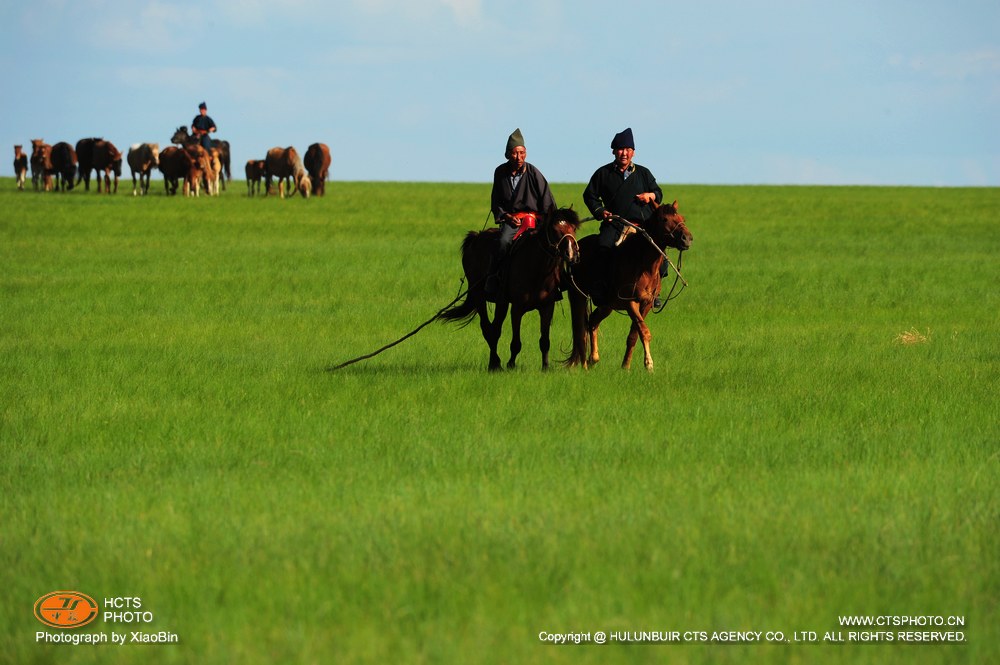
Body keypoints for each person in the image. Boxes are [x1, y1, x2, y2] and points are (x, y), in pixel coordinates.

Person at [582, 127, 664, 302]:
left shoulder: (643, 173)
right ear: (614, 151)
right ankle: (601, 286)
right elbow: (589, 196)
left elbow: (658, 192)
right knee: (603, 246)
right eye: (620, 149)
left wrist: (651, 195)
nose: (624, 153)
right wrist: (600, 211)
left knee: (659, 252)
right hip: (615, 223)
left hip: (642, 225)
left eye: (628, 150)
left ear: (633, 152)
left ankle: (655, 291)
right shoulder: (603, 173)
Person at [486, 128, 557, 295]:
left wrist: (547, 220)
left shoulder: (533, 172)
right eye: (515, 153)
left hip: (536, 222)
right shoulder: (500, 172)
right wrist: (506, 216)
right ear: (507, 155)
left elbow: (547, 200)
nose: (519, 157)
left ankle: (558, 285)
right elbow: (496, 201)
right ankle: (495, 278)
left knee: (554, 244)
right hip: (512, 222)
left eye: (522, 153)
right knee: (503, 242)